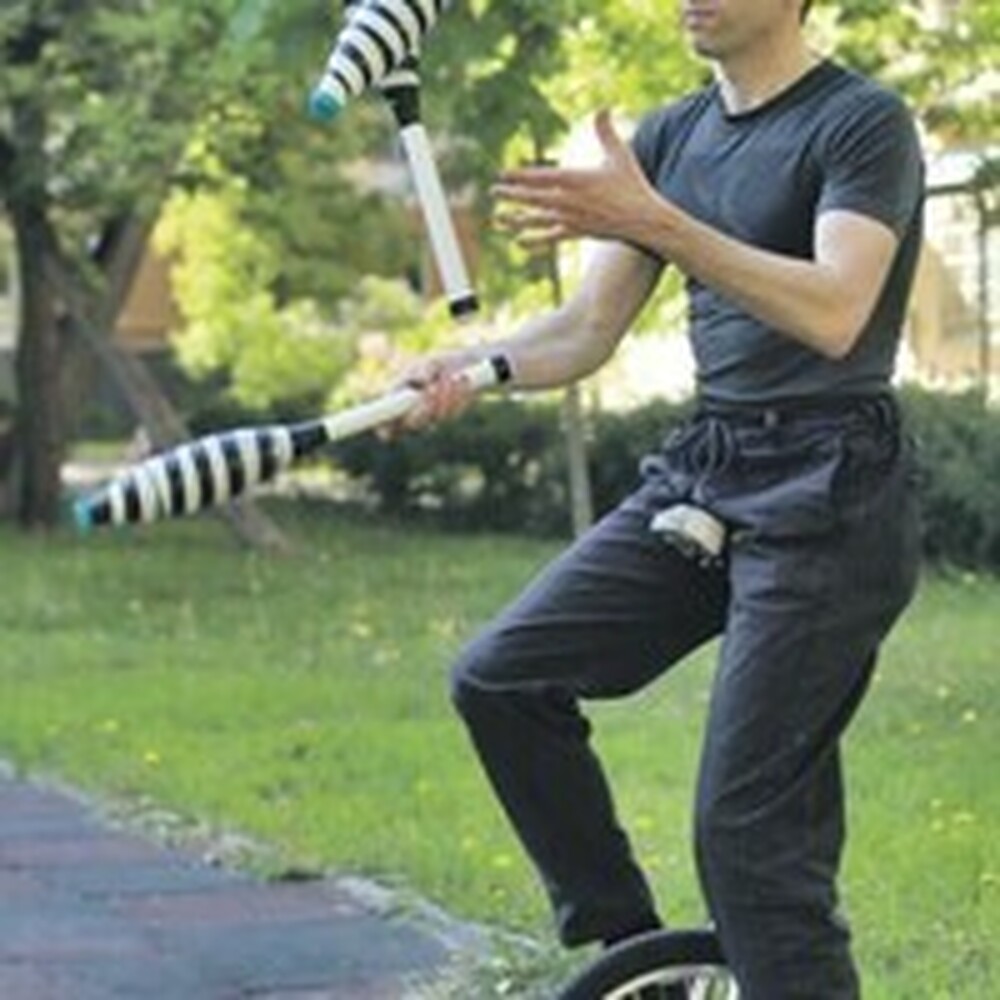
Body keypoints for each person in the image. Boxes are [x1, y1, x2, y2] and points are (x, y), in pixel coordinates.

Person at [400, 1, 924, 996]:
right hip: (711, 464)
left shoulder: (861, 121)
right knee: (500, 679)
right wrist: (471, 367)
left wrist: (656, 220)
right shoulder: (672, 135)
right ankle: (642, 967)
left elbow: (835, 309)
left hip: (833, 487)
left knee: (748, 830)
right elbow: (586, 329)